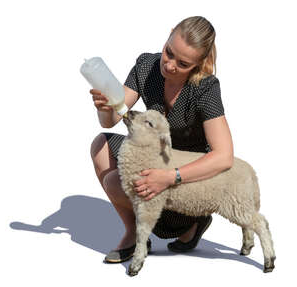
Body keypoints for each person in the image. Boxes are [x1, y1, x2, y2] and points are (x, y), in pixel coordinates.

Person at [90, 16, 234, 263]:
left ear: (199, 64)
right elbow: (112, 119)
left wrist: (170, 176)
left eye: (183, 63)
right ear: (168, 36)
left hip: (187, 178)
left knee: (116, 182)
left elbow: (224, 156)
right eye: (169, 52)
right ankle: (135, 234)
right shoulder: (147, 66)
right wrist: (105, 106)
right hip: (155, 161)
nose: (169, 65)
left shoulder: (205, 88)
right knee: (100, 144)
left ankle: (192, 223)